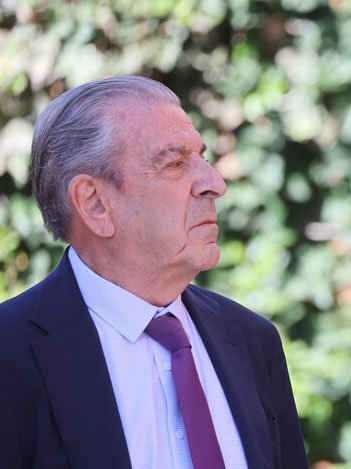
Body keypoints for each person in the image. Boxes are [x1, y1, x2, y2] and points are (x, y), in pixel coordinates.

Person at [0, 76, 308, 468]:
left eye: (202, 158)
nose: (214, 183)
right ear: (94, 203)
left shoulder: (252, 340)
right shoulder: (9, 354)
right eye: (175, 163)